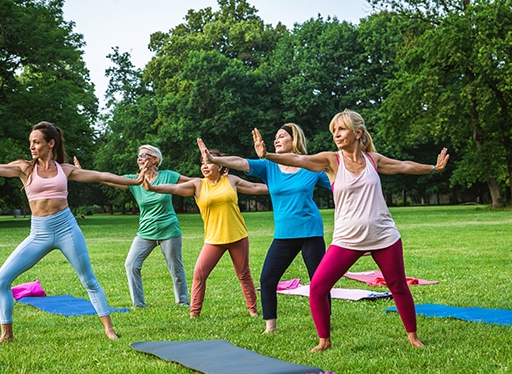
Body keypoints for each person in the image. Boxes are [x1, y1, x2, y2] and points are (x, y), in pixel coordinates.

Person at [253, 109, 449, 352]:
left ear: (357, 133)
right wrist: (268, 156)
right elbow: (300, 160)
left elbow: (403, 166)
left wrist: (433, 167)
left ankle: (413, 336)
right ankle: (324, 340)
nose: (336, 134)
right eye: (333, 130)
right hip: (347, 239)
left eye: (341, 129)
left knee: (398, 285)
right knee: (318, 287)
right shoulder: (331, 160)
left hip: (383, 236)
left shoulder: (372, 160)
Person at [0, 121, 145, 345]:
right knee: (0, 280)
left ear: (51, 143)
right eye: (30, 143)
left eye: (36, 142)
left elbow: (101, 176)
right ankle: (6, 334)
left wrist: (135, 181)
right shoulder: (24, 169)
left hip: (67, 229)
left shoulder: (64, 170)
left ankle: (109, 330)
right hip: (39, 233)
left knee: (89, 280)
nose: (32, 147)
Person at [197, 123, 332, 334]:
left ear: (294, 140)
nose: (276, 140)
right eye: (275, 137)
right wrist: (214, 159)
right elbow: (240, 162)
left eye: (281, 136)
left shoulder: (310, 165)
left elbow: (337, 184)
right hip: (284, 235)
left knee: (319, 281)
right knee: (267, 279)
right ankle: (271, 326)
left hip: (311, 232)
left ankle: (325, 321)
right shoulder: (268, 166)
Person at [142, 148, 269, 318]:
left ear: (220, 166)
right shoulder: (198, 185)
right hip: (213, 239)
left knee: (244, 275)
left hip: (237, 235)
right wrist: (152, 187)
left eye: (209, 162)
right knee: (199, 275)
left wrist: (282, 185)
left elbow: (255, 187)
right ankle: (194, 314)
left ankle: (253, 311)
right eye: (203, 163)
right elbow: (173, 188)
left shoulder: (231, 180)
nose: (205, 166)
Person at [75, 145, 190, 308]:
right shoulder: (133, 180)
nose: (139, 158)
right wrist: (82, 172)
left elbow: (195, 183)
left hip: (169, 229)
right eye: (138, 156)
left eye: (144, 155)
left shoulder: (168, 176)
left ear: (155, 159)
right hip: (145, 231)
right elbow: (106, 178)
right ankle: (139, 304)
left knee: (175, 268)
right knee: (131, 264)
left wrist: (215, 176)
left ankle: (183, 301)